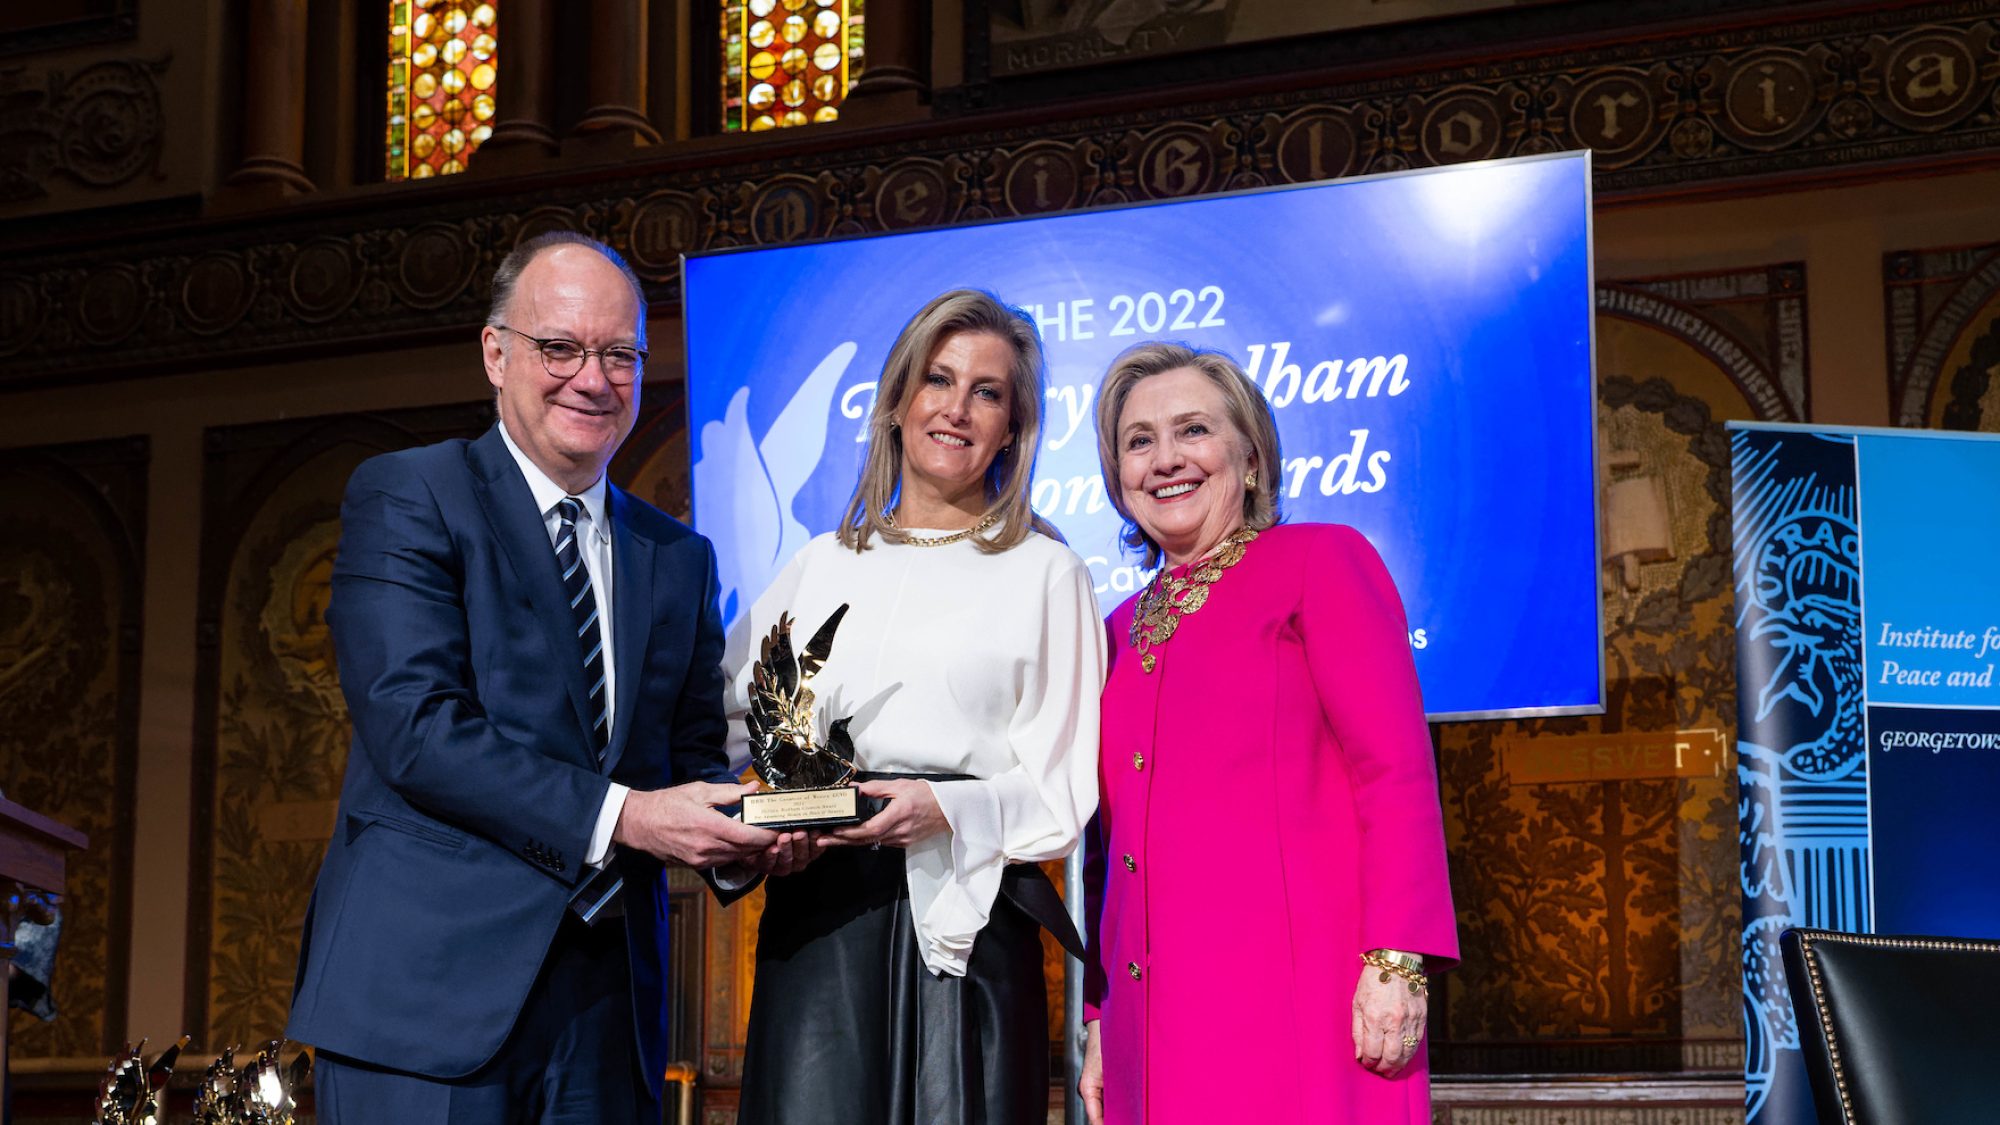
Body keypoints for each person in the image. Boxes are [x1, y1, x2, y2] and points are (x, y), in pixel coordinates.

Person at [287, 233, 798, 1124]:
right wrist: (630, 816)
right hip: (425, 1005)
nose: (592, 379)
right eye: (559, 347)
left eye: (620, 354)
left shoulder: (676, 555)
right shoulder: (410, 494)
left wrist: (761, 827)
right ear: (496, 352)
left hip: (609, 1017)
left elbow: (687, 757)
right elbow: (415, 727)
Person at [730, 290, 1105, 1125]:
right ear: (897, 401)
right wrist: (765, 827)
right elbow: (731, 729)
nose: (957, 407)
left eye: (988, 391)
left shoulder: (1047, 573)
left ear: (1013, 426)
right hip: (820, 921)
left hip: (966, 926)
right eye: (939, 379)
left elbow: (1062, 787)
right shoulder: (820, 564)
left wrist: (943, 806)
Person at [1078, 342, 1458, 1125]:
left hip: (1305, 1010)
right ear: (1117, 477)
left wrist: (1398, 961)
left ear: (1249, 456)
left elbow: (1396, 772)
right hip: (1149, 1026)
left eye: (1193, 430)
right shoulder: (1109, 632)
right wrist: (1095, 1020)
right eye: (1138, 440)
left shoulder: (1321, 561)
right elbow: (1102, 852)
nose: (1165, 458)